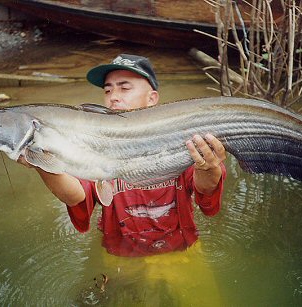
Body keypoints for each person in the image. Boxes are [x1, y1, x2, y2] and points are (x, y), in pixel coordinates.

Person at [19, 54, 227, 257]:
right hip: (119, 256)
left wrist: (208, 166)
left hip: (181, 251)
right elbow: (76, 197)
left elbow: (206, 194)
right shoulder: (93, 145)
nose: (113, 97)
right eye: (107, 90)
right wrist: (41, 161)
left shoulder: (181, 138)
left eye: (125, 88)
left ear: (152, 98)